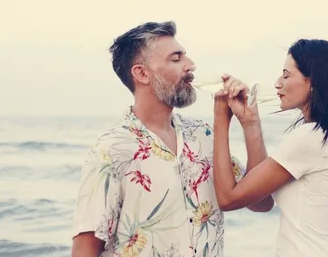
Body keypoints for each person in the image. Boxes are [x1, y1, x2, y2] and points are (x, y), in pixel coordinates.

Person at [71, 21, 273, 257]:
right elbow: (85, 250)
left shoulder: (203, 136)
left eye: (185, 57)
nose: (190, 65)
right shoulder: (112, 150)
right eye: (176, 59)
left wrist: (250, 124)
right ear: (142, 74)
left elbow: (261, 203)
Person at [212, 39, 328, 257]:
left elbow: (227, 198)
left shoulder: (309, 138)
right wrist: (251, 124)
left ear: (312, 81)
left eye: (286, 75)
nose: (278, 83)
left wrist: (221, 119)